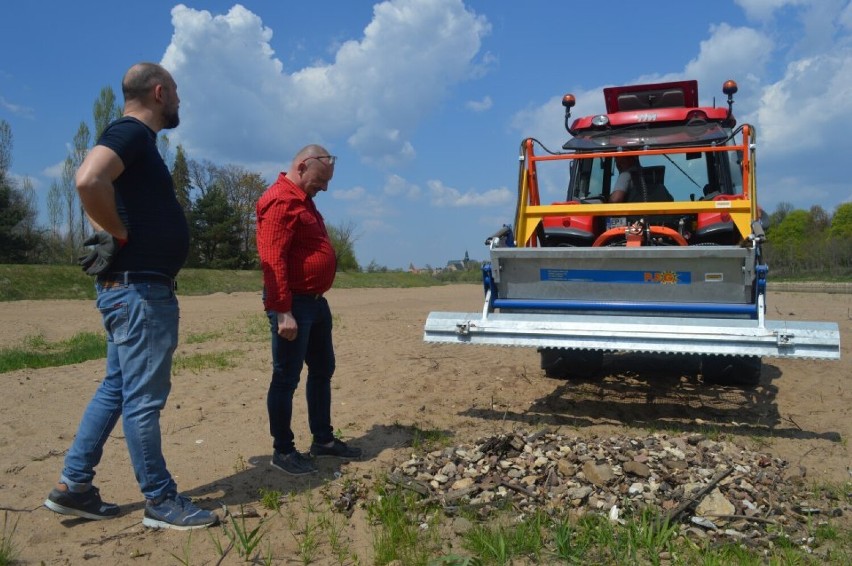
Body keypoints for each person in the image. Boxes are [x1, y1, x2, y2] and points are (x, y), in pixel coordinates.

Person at [43, 62, 218, 530]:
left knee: (117, 388)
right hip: (139, 291)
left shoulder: (137, 141)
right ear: (159, 92)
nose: (180, 101)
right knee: (143, 399)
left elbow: (97, 185)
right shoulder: (133, 133)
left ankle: (74, 486)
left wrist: (113, 230)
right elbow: (87, 179)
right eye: (176, 92)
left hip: (131, 289)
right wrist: (117, 232)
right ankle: (160, 500)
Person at [256, 145, 362, 476]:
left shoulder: (305, 201)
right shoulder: (280, 200)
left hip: (315, 303)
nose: (325, 188)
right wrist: (282, 311)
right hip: (294, 305)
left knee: (322, 369)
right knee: (286, 378)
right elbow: (272, 259)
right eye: (320, 180)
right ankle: (283, 450)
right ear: (302, 166)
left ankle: (323, 441)